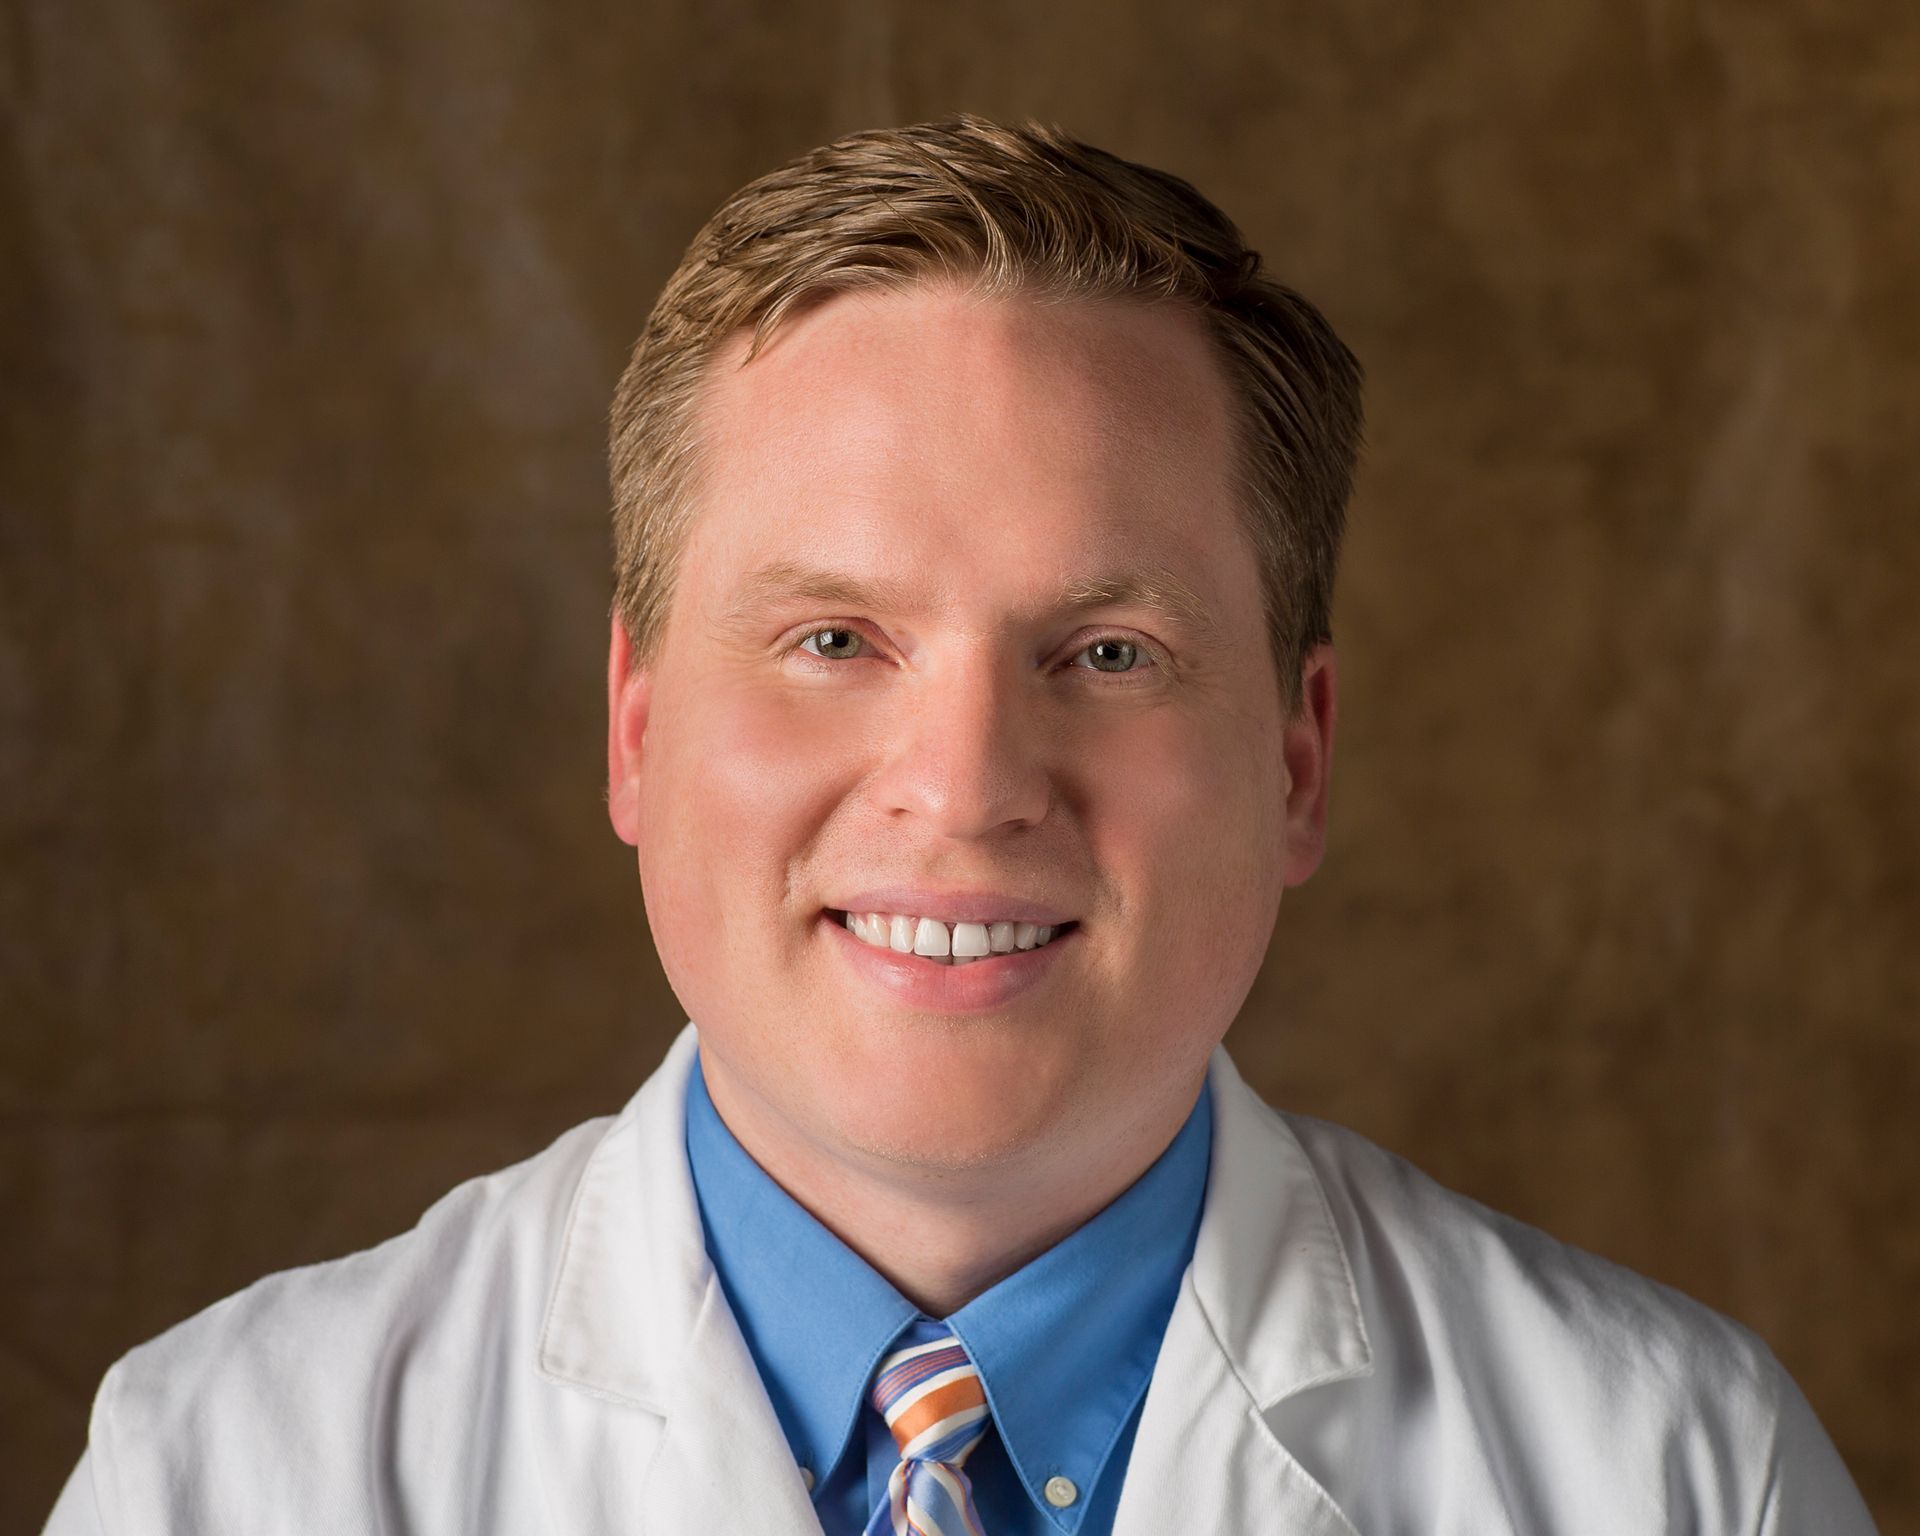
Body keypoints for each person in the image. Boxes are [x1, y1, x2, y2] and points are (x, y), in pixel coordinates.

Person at [43, 116, 1877, 1536]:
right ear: (636, 724)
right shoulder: (235, 1469)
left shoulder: (1667, 1468)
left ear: (1300, 761)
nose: (967, 781)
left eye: (1106, 649)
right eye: (834, 639)